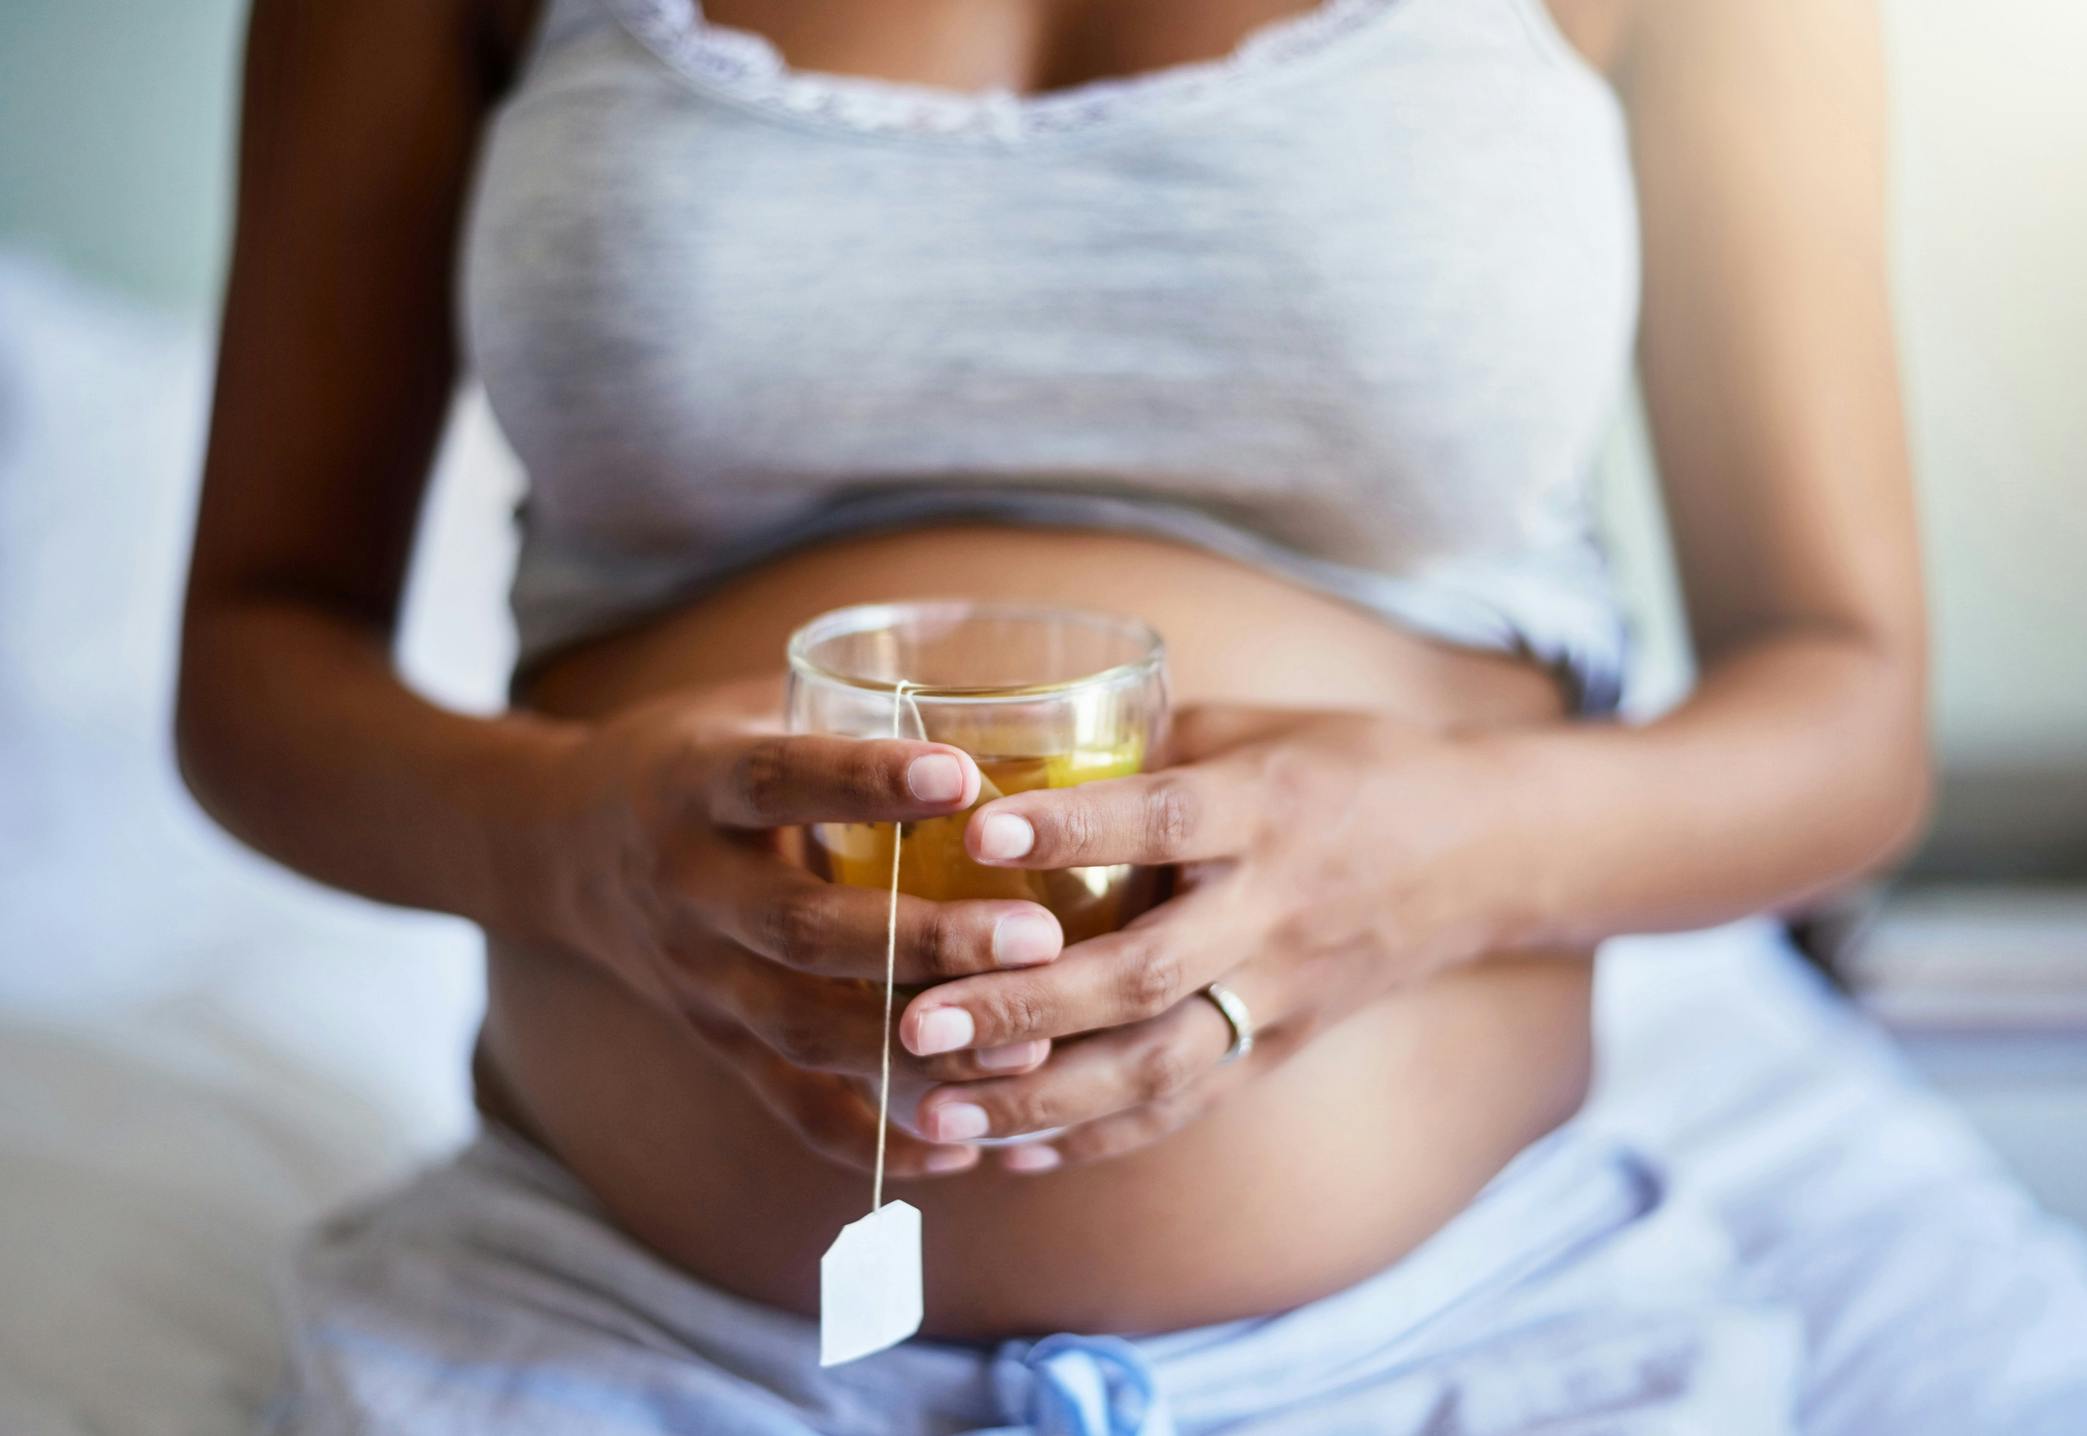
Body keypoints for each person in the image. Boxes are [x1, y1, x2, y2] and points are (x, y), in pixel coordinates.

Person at [177, 1, 2087, 1431]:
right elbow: (258, 656)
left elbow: (1844, 712)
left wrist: (1426, 861)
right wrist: (570, 847)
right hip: (609, 1334)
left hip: (1469, 1331)